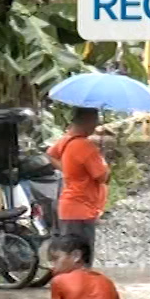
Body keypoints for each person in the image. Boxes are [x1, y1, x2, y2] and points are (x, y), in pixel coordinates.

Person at [46, 107, 108, 254]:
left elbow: (50, 154)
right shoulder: (85, 146)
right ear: (87, 121)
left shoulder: (67, 139)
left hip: (69, 207)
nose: (96, 125)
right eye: (95, 121)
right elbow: (102, 177)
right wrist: (103, 160)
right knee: (80, 258)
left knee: (69, 255)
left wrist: (66, 170)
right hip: (81, 210)